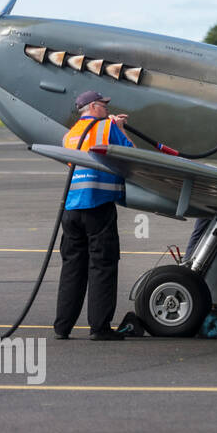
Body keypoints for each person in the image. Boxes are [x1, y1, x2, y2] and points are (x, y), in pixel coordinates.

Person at [54, 91, 134, 340]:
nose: (107, 109)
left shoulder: (70, 135)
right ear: (93, 107)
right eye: (104, 105)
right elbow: (130, 156)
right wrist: (120, 127)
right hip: (98, 206)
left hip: (72, 209)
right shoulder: (107, 128)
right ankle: (99, 327)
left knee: (72, 268)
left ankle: (62, 327)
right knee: (102, 265)